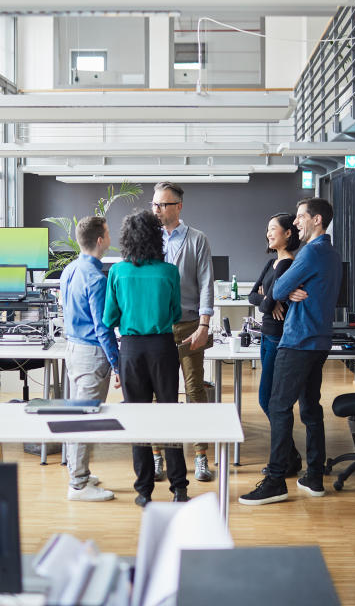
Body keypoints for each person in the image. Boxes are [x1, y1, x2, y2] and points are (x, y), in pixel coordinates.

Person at [239, 197, 342, 506]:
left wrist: (284, 287)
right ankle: (313, 477)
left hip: (297, 341)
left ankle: (275, 480)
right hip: (319, 340)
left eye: (301, 217)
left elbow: (279, 291)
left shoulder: (310, 252)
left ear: (317, 220)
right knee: (310, 408)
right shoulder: (331, 253)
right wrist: (283, 287)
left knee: (279, 406)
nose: (296, 222)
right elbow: (278, 290)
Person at [103, 211, 189, 506]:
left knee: (136, 418)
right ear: (157, 237)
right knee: (170, 414)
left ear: (127, 239)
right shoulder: (169, 272)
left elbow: (109, 318)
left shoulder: (117, 272)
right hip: (163, 347)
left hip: (131, 350)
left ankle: (144, 491)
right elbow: (175, 313)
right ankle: (179, 487)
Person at [149, 181, 215, 483]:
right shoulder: (148, 239)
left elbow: (206, 283)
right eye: (155, 204)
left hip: (189, 324)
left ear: (179, 206)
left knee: (194, 390)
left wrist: (204, 325)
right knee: (158, 393)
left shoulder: (197, 239)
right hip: (157, 327)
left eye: (163, 204)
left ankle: (201, 456)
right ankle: (158, 455)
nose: (158, 210)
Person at [58, 216, 119, 502]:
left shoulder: (70, 269)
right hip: (91, 354)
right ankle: (79, 484)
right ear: (99, 240)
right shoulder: (96, 278)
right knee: (83, 419)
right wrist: (117, 363)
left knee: (75, 416)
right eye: (108, 233)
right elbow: (102, 327)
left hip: (72, 348)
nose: (110, 236)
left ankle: (78, 471)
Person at [246, 212, 303, 477]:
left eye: (273, 229)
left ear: (288, 233)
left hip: (279, 337)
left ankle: (287, 456)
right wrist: (267, 299)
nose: (268, 234)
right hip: (267, 335)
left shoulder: (287, 265)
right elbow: (253, 296)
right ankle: (289, 455)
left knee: (269, 400)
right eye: (267, 229)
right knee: (269, 399)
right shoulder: (271, 264)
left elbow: (266, 302)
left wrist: (267, 299)